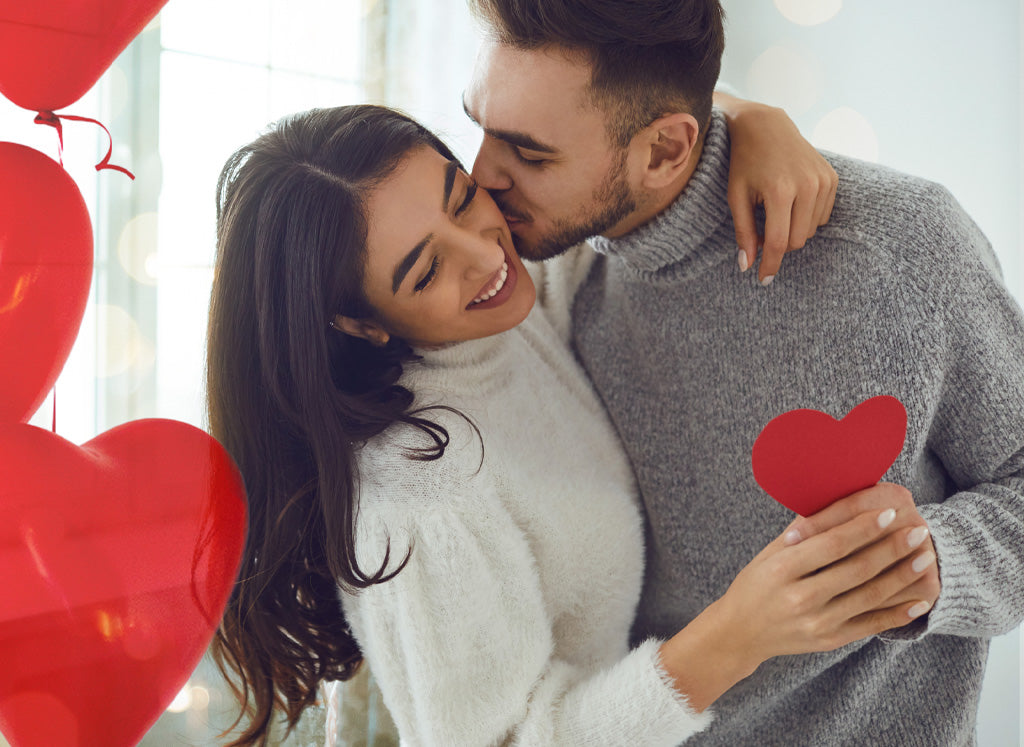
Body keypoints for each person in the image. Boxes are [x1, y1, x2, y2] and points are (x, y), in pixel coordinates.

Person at [205, 104, 936, 746]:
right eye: (426, 271)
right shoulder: (419, 500)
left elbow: (610, 116)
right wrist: (738, 634)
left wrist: (752, 121)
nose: (487, 253)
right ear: (359, 324)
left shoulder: (492, 326)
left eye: (461, 200)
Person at [463, 0, 1024, 744]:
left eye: (529, 155)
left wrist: (931, 565)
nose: (479, 177)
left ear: (665, 152)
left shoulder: (905, 247)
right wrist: (750, 114)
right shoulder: (550, 281)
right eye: (478, 127)